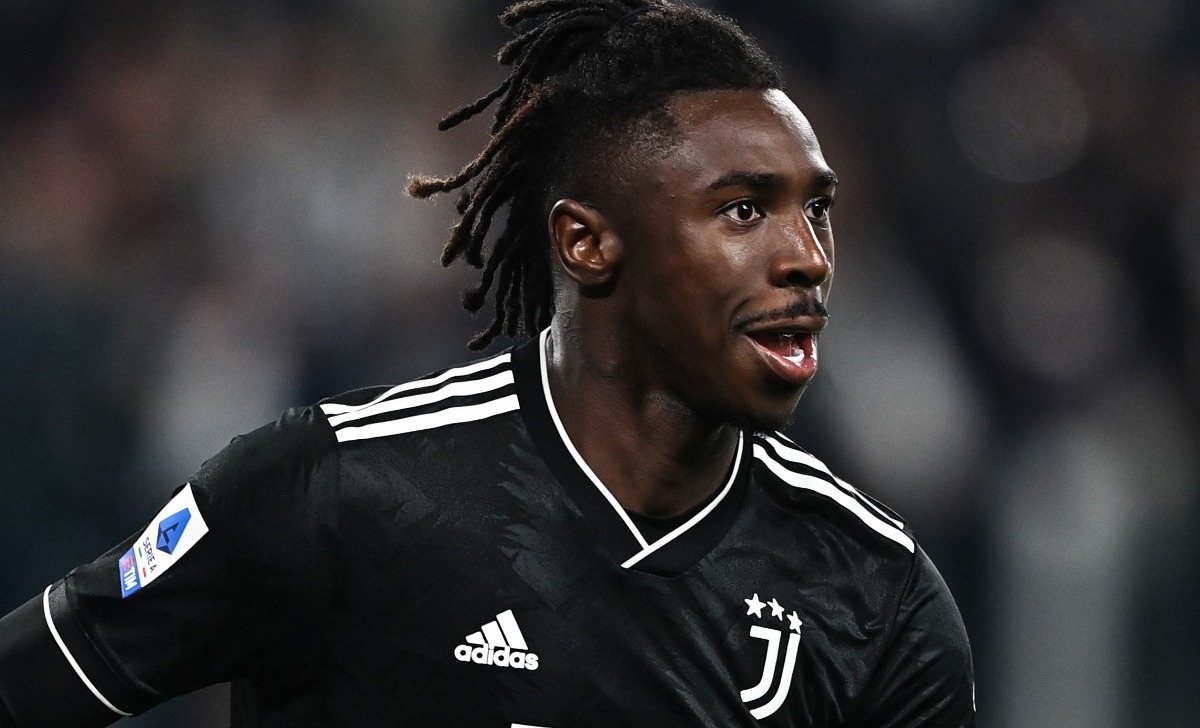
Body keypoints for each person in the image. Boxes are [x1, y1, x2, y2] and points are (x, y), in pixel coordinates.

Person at [0, 0, 976, 725]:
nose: (807, 255)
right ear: (590, 243)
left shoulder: (878, 599)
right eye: (743, 210)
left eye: (816, 208)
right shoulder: (336, 487)